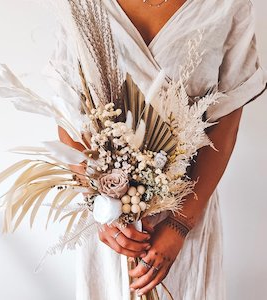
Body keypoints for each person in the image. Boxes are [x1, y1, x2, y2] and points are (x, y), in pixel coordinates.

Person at [50, 0, 267, 298]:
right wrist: (101, 208)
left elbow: (226, 122)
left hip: (186, 209)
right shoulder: (82, 4)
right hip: (109, 226)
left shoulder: (227, 5)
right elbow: (68, 115)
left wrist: (180, 225)